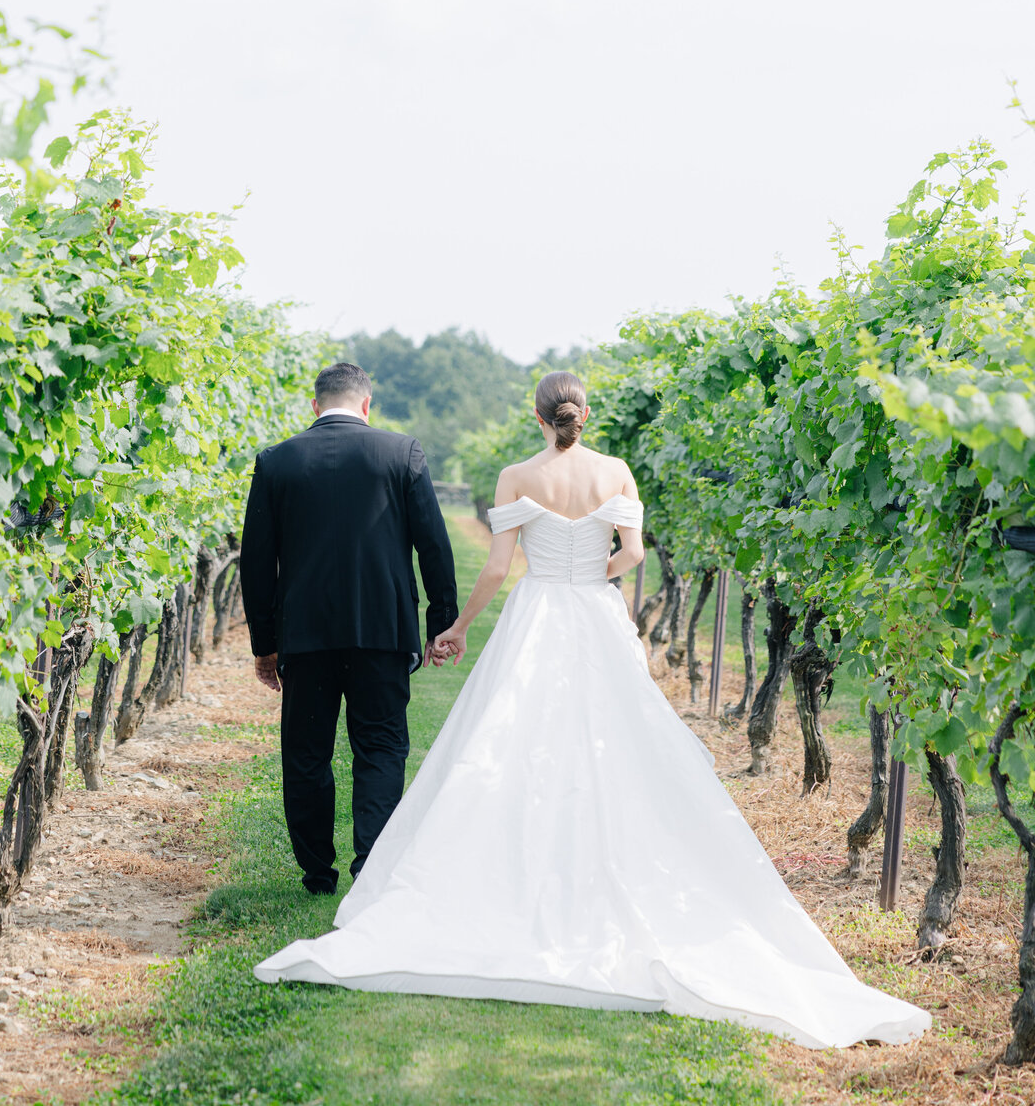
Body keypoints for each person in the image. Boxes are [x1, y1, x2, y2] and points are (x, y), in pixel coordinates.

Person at [253, 371, 931, 1051]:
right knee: (612, 740)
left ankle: (369, 865)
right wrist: (588, 578)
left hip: (530, 610)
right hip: (592, 614)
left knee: (500, 737)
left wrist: (458, 625)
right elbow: (632, 553)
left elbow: (494, 568)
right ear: (584, 413)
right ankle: (463, 853)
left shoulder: (515, 475)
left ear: (537, 413)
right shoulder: (616, 470)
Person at [240, 361, 459, 895]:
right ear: (367, 405)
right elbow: (433, 544)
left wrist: (264, 647)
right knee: (381, 747)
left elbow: (255, 562)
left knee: (306, 752)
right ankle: (373, 869)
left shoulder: (276, 462)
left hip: (305, 635)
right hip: (383, 631)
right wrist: (441, 622)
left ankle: (317, 872)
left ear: (315, 406)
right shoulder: (401, 453)